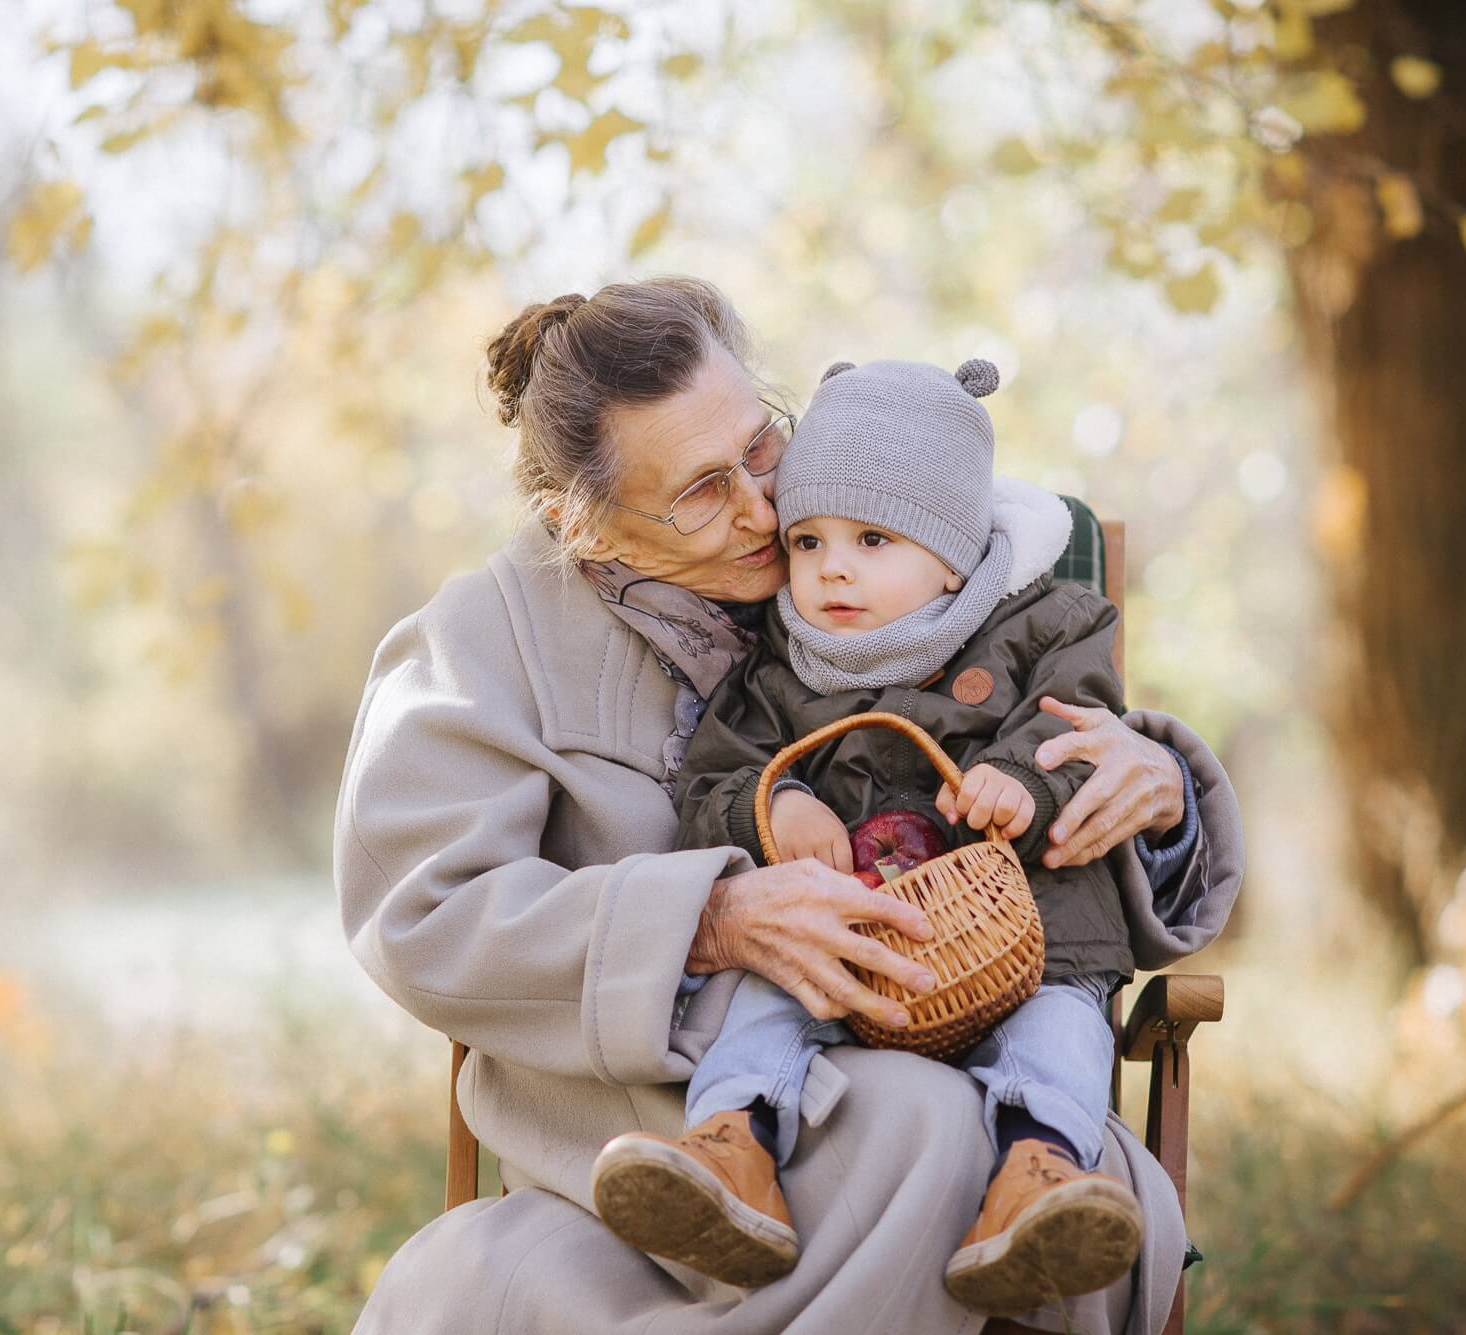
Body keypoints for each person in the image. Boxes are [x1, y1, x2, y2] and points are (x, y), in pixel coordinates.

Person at [334, 277, 1242, 1333]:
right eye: (701, 491)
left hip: (966, 1043)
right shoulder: (478, 640)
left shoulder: (860, 546)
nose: (766, 513)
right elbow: (421, 912)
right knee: (916, 1132)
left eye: (761, 447)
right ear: (574, 525)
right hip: (657, 1112)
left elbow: (1030, 692)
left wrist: (1155, 783)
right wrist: (710, 921)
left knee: (959, 1133)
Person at [591, 357, 1186, 1316]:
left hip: (1028, 940)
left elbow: (1092, 728)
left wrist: (1027, 775)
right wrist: (768, 808)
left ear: (952, 552)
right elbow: (708, 780)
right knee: (766, 997)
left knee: (1064, 1029)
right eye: (810, 539)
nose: (832, 567)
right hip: (848, 948)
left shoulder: (1046, 627)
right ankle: (731, 1151)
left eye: (872, 538)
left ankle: (1036, 1180)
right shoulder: (779, 666)